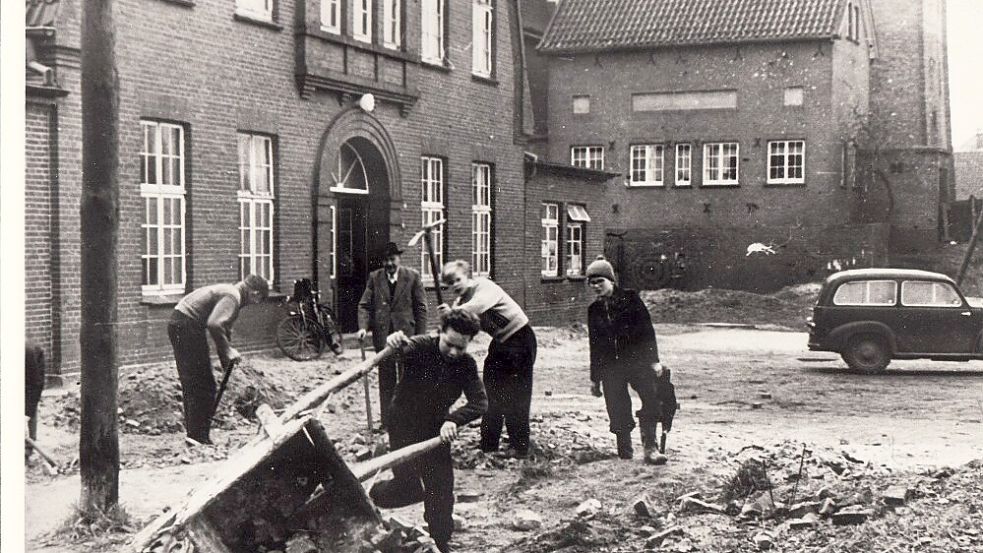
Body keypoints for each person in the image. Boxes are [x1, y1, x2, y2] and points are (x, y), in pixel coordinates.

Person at [369, 308, 487, 553]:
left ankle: (440, 542)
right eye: (449, 344)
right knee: (409, 489)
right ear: (439, 332)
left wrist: (453, 420)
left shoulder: (466, 364)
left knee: (441, 487)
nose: (454, 352)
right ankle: (365, 495)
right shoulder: (421, 346)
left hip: (435, 428)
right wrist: (394, 341)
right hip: (403, 424)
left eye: (461, 347)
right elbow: (397, 352)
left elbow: (479, 402)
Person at [439, 260, 537, 458]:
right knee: (490, 392)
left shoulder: (484, 286)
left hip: (521, 338)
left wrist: (452, 313)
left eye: (457, 279)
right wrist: (447, 321)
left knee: (516, 393)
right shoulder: (460, 303)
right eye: (450, 283)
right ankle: (488, 444)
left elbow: (479, 305)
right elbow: (463, 327)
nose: (455, 285)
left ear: (468, 276)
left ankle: (519, 447)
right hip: (501, 342)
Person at [585, 256, 669, 464]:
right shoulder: (594, 310)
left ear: (611, 280)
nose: (596, 286)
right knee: (616, 406)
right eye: (592, 283)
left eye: (600, 281)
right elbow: (595, 346)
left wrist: (654, 360)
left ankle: (650, 448)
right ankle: (625, 451)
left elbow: (647, 331)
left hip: (637, 361)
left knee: (650, 398)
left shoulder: (631, 299)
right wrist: (595, 378)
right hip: (611, 367)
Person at [167, 274, 269, 445]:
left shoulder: (229, 292)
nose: (253, 304)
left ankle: (194, 435)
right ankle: (198, 437)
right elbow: (215, 324)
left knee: (193, 383)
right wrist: (228, 350)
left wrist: (226, 362)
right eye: (257, 300)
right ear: (255, 293)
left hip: (179, 323)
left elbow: (224, 330)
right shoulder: (233, 297)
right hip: (187, 326)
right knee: (204, 384)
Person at [357, 241, 428, 428]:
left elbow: (421, 308)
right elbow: (364, 305)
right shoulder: (375, 277)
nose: (389, 263)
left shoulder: (412, 276)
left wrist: (420, 338)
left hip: (407, 336)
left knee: (408, 377)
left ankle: (408, 419)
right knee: (386, 378)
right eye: (385, 260)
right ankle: (388, 422)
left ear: (399, 259)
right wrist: (363, 327)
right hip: (383, 337)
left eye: (392, 259)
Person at [25, 342, 46, 458]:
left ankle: (28, 449)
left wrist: (27, 415)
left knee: (28, 413)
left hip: (31, 386)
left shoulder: (29, 352)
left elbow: (35, 386)